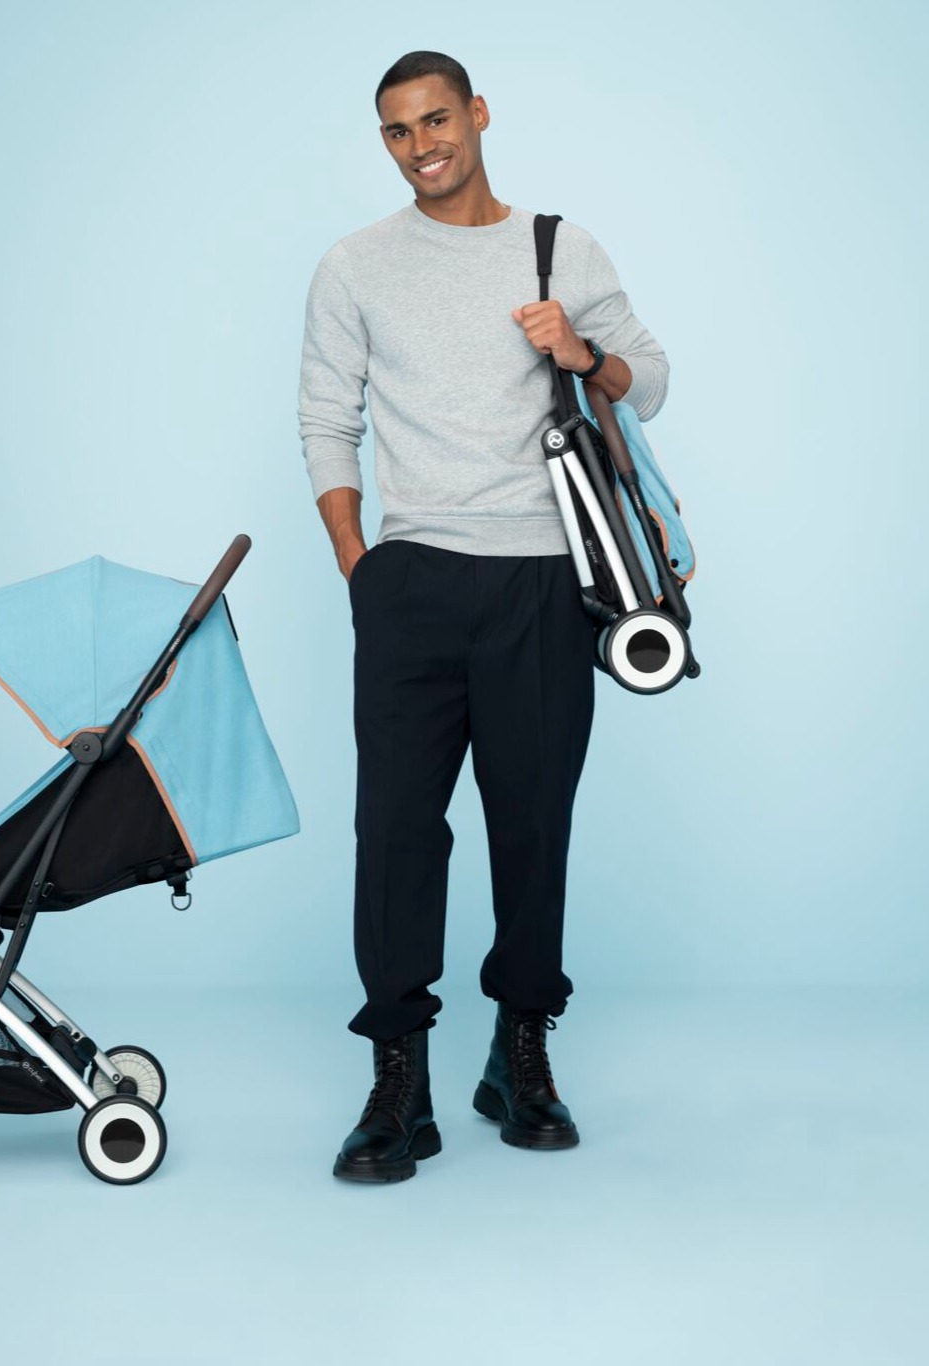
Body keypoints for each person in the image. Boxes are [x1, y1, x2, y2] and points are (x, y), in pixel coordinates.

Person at [297, 51, 669, 1182]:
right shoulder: (355, 266)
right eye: (398, 130)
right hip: (409, 581)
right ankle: (396, 1080)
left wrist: (581, 352)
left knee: (531, 824)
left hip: (542, 583)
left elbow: (650, 381)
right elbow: (325, 421)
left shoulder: (561, 249)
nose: (421, 145)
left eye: (437, 120)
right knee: (396, 831)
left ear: (478, 115)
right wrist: (361, 569)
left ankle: (520, 1055)